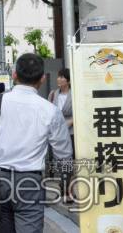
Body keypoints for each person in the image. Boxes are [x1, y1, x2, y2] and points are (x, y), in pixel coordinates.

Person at [0, 53, 72, 233]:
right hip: (30, 183)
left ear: (14, 75)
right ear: (42, 79)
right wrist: (66, 184)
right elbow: (63, 155)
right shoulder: (50, 111)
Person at [48, 67, 74, 201]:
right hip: (57, 134)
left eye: (62, 77)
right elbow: (48, 112)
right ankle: (63, 187)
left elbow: (80, 111)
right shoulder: (53, 94)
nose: (59, 79)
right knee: (59, 162)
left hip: (71, 132)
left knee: (69, 162)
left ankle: (67, 189)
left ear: (68, 81)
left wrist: (71, 121)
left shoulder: (74, 95)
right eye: (58, 76)